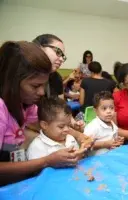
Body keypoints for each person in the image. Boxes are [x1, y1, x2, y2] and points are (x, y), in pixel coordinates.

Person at [0, 41, 84, 186]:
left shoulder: (26, 105)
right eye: (35, 86)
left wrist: (80, 136)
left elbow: (51, 124)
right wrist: (46, 161)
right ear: (12, 81)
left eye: (44, 85)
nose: (41, 92)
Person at [33, 34, 67, 99]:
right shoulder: (22, 73)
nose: (61, 59)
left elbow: (60, 105)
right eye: (58, 51)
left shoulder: (56, 78)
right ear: (40, 47)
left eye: (63, 56)